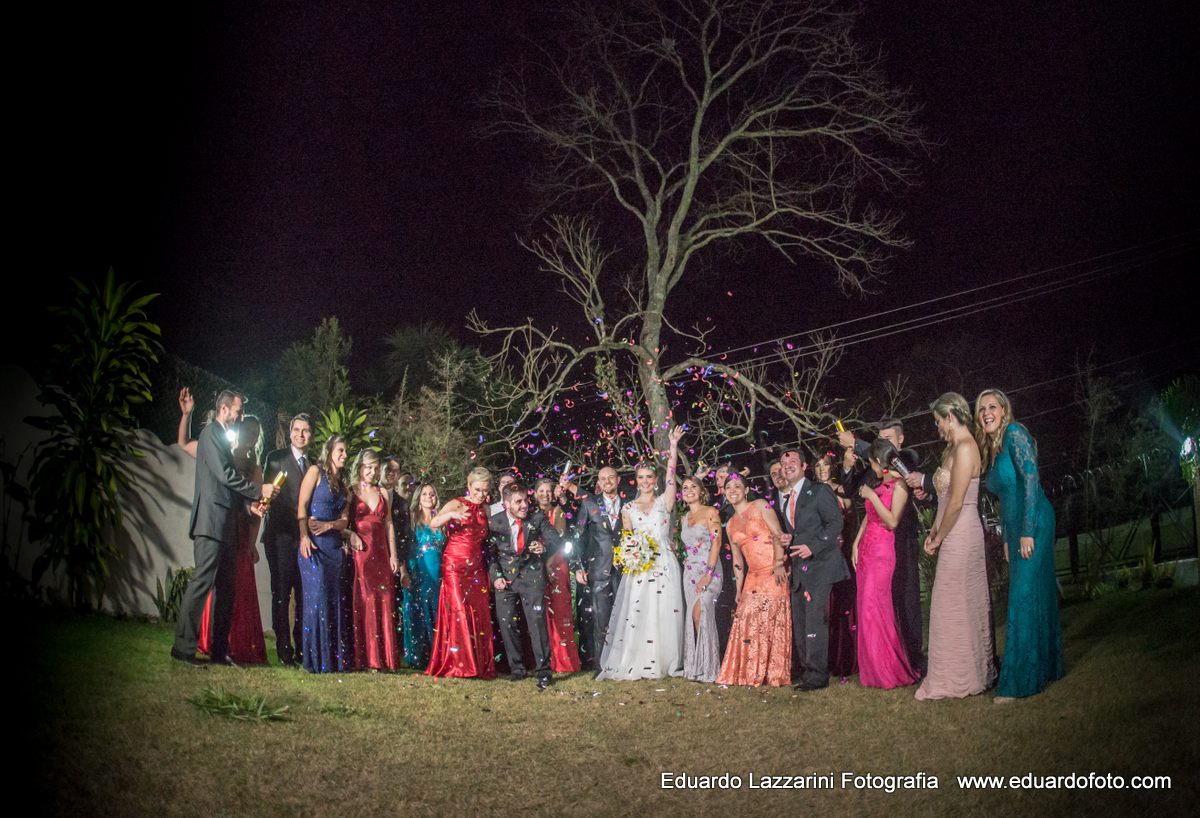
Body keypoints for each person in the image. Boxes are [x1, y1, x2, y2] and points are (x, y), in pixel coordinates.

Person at [171, 390, 277, 667]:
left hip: (228, 526)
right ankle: (183, 650)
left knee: (226, 591)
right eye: (238, 410)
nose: (240, 416)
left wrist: (249, 507)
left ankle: (220, 651)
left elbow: (228, 489)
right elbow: (225, 476)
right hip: (209, 524)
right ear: (223, 409)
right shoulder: (210, 435)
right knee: (201, 584)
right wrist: (259, 489)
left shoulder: (223, 440)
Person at [976, 389, 1064, 702]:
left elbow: (1030, 479)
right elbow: (1003, 500)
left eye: (992, 406)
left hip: (1034, 521)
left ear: (1004, 410)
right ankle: (1048, 667)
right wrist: (1007, 537)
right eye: (981, 409)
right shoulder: (994, 447)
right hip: (1015, 529)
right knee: (1035, 593)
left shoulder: (1014, 433)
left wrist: (1027, 530)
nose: (986, 412)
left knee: (1022, 597)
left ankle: (1020, 681)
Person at [916, 393, 996, 700]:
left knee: (960, 602)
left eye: (938, 421)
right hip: (949, 529)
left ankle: (968, 675)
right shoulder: (951, 449)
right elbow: (944, 501)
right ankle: (952, 672)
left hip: (962, 533)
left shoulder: (966, 448)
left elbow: (959, 502)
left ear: (950, 416)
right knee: (947, 605)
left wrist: (939, 537)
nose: (937, 428)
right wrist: (932, 533)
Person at [838, 419, 928, 676]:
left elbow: (891, 462)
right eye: (879, 440)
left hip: (901, 539)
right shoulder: (876, 471)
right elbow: (851, 490)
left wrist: (858, 443)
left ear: (900, 441)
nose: (881, 446)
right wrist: (847, 467)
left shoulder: (907, 459)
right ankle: (882, 660)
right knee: (877, 605)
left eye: (887, 440)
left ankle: (913, 656)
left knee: (906, 599)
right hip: (873, 545)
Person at [596, 425, 686, 680]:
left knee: (664, 612)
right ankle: (637, 659)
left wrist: (673, 447)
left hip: (665, 564)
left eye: (649, 477)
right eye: (641, 478)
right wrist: (631, 554)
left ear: (654, 480)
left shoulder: (664, 502)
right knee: (639, 612)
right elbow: (627, 539)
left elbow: (672, 473)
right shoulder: (628, 509)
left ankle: (665, 660)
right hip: (641, 567)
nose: (646, 481)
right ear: (636, 482)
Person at [851, 440, 919, 689]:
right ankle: (873, 672)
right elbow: (868, 517)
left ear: (880, 462)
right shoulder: (878, 484)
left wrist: (870, 495)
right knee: (865, 610)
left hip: (882, 552)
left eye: (872, 463)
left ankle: (889, 670)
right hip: (866, 551)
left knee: (874, 609)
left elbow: (891, 521)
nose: (872, 468)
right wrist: (856, 544)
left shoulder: (899, 485)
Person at [778, 448, 846, 690]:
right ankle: (807, 672)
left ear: (804, 466)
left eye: (792, 461)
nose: (787, 466)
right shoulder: (786, 500)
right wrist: (789, 539)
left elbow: (836, 523)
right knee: (801, 623)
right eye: (783, 463)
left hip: (820, 566)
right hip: (799, 570)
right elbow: (799, 531)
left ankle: (818, 676)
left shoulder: (819, 491)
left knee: (815, 623)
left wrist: (812, 547)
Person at [715, 473, 791, 687]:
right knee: (747, 619)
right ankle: (751, 671)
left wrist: (778, 563)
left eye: (737, 486)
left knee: (769, 619)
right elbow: (737, 560)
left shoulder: (760, 505)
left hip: (773, 569)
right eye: (728, 487)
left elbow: (778, 533)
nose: (732, 490)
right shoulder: (729, 524)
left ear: (746, 490)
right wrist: (739, 590)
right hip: (752, 576)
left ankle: (772, 671)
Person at [488, 482, 565, 688]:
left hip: (532, 577)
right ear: (506, 504)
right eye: (518, 502)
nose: (524, 505)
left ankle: (543, 672)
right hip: (506, 581)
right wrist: (496, 576)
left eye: (525, 500)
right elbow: (489, 554)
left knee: (537, 624)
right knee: (508, 624)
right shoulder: (494, 522)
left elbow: (555, 539)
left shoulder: (537, 517)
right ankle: (517, 669)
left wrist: (544, 545)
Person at [426, 467, 495, 679]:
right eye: (477, 489)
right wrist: (452, 514)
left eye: (485, 490)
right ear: (468, 486)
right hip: (454, 564)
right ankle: (459, 664)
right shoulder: (457, 502)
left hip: (476, 565)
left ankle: (478, 663)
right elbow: (433, 522)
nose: (481, 494)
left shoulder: (487, 509)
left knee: (479, 612)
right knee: (458, 611)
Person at [562, 465, 630, 668]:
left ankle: (625, 663)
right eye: (603, 478)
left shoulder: (629, 504)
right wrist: (577, 565)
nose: (607, 481)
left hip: (626, 570)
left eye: (611, 477)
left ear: (618, 480)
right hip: (598, 570)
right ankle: (602, 665)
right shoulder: (590, 504)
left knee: (626, 618)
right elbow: (578, 536)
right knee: (601, 622)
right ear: (599, 483)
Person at [296, 435, 353, 673]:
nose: (344, 455)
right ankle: (314, 660)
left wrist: (330, 526)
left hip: (334, 550)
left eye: (346, 451)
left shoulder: (344, 487)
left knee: (333, 602)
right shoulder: (314, 472)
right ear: (329, 451)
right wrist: (304, 536)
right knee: (316, 601)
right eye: (340, 450)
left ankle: (333, 660)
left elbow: (344, 521)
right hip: (314, 547)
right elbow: (302, 505)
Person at [262, 413, 314, 666]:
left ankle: (303, 648)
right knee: (281, 594)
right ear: (291, 431)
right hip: (280, 537)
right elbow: (267, 495)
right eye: (296, 429)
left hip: (305, 540)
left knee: (304, 595)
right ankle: (284, 650)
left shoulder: (314, 465)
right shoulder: (276, 458)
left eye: (305, 430)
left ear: (311, 435)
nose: (300, 434)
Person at [346, 448, 405, 671]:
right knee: (367, 599)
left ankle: (387, 659)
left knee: (385, 600)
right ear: (360, 468)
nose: (372, 471)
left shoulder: (384, 493)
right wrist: (348, 535)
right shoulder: (351, 492)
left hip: (382, 553)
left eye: (375, 468)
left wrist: (394, 556)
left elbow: (389, 524)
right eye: (368, 467)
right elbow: (343, 523)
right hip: (362, 553)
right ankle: (369, 658)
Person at [814, 452, 857, 678]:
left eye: (826, 465)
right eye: (819, 465)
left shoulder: (842, 491)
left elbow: (851, 524)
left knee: (842, 608)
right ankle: (825, 660)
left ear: (833, 467)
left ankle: (844, 659)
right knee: (823, 610)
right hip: (819, 557)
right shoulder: (810, 494)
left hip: (841, 555)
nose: (822, 469)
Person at [402, 483, 454, 669]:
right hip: (417, 572)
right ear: (418, 497)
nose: (428, 497)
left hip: (437, 573)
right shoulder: (412, 520)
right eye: (424, 494)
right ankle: (418, 657)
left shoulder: (442, 521)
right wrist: (404, 572)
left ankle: (437, 654)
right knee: (417, 612)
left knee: (436, 613)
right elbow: (405, 548)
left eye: (432, 494)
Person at [679, 476, 724, 682]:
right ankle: (698, 666)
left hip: (709, 569)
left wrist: (709, 573)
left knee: (703, 609)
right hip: (689, 573)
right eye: (685, 487)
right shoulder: (683, 518)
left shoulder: (710, 512)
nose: (689, 490)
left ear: (701, 490)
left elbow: (717, 542)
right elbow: (688, 545)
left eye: (693, 487)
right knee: (695, 617)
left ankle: (710, 667)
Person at [534, 478, 581, 673]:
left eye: (549, 491)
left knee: (559, 612)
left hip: (555, 565)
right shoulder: (531, 515)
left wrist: (548, 566)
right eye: (541, 491)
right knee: (541, 615)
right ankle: (543, 660)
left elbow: (558, 541)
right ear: (535, 494)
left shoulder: (558, 512)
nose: (545, 494)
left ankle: (563, 661)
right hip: (537, 567)